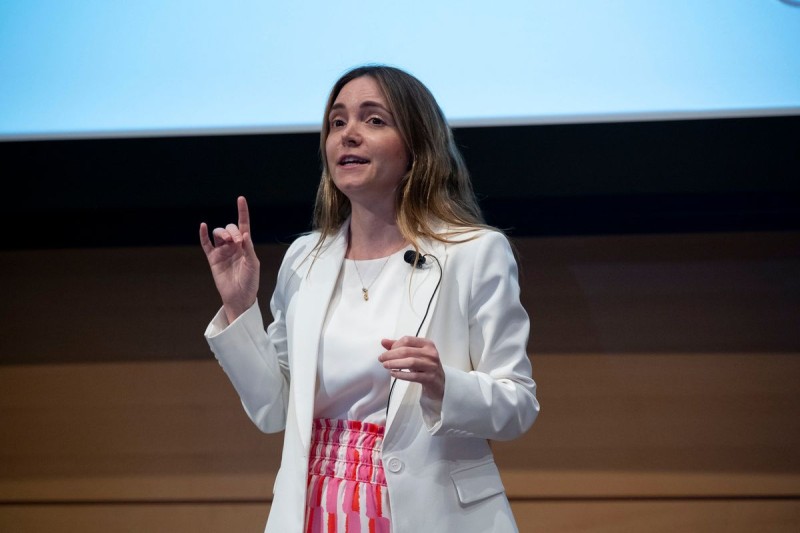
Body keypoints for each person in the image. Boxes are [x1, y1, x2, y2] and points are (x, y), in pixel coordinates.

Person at [199, 64, 539, 533]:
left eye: (373, 120)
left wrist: (444, 383)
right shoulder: (305, 259)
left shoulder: (474, 253)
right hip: (317, 508)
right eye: (337, 122)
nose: (348, 135)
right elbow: (274, 409)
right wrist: (240, 307)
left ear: (416, 148)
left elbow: (517, 404)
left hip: (430, 512)